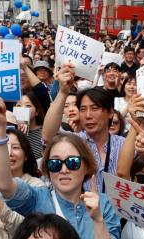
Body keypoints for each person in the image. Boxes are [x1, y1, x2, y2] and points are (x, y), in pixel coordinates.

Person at [0, 90, 120, 239]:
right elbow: (3, 184)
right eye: (55, 163)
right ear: (47, 169)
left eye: (73, 162)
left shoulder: (103, 203)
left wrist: (97, 220)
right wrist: (0, 129)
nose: (64, 169)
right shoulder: (37, 198)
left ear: (86, 166)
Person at [43, 63, 126, 192]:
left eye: (95, 108)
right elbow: (48, 136)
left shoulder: (125, 145)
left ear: (111, 112)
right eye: (82, 109)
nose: (88, 115)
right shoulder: (73, 142)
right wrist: (63, 92)